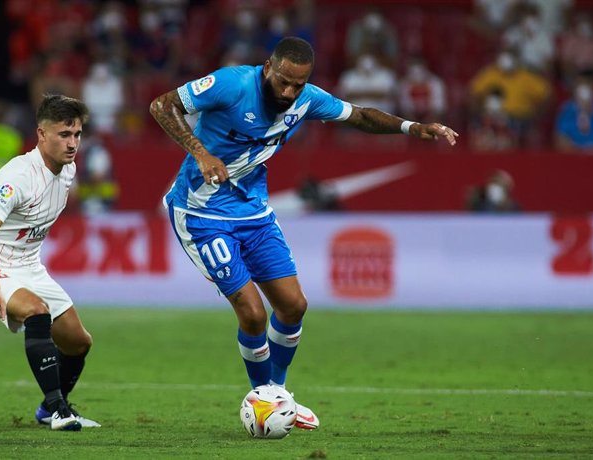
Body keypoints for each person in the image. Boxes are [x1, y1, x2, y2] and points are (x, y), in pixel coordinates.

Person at [149, 37, 458, 430]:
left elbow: (358, 116)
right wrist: (200, 152)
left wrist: (413, 127)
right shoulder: (233, 84)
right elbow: (162, 105)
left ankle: (277, 395)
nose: (289, 92)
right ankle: (264, 400)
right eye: (283, 82)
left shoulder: (306, 99)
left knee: (294, 306)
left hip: (254, 214)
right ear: (268, 69)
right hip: (200, 213)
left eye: (298, 84)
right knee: (253, 312)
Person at [0, 94, 100, 431]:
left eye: (77, 135)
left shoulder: (68, 170)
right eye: (63, 135)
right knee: (37, 312)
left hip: (29, 265)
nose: (72, 144)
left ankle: (47, 408)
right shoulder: (17, 177)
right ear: (41, 134)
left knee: (79, 341)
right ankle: (58, 409)